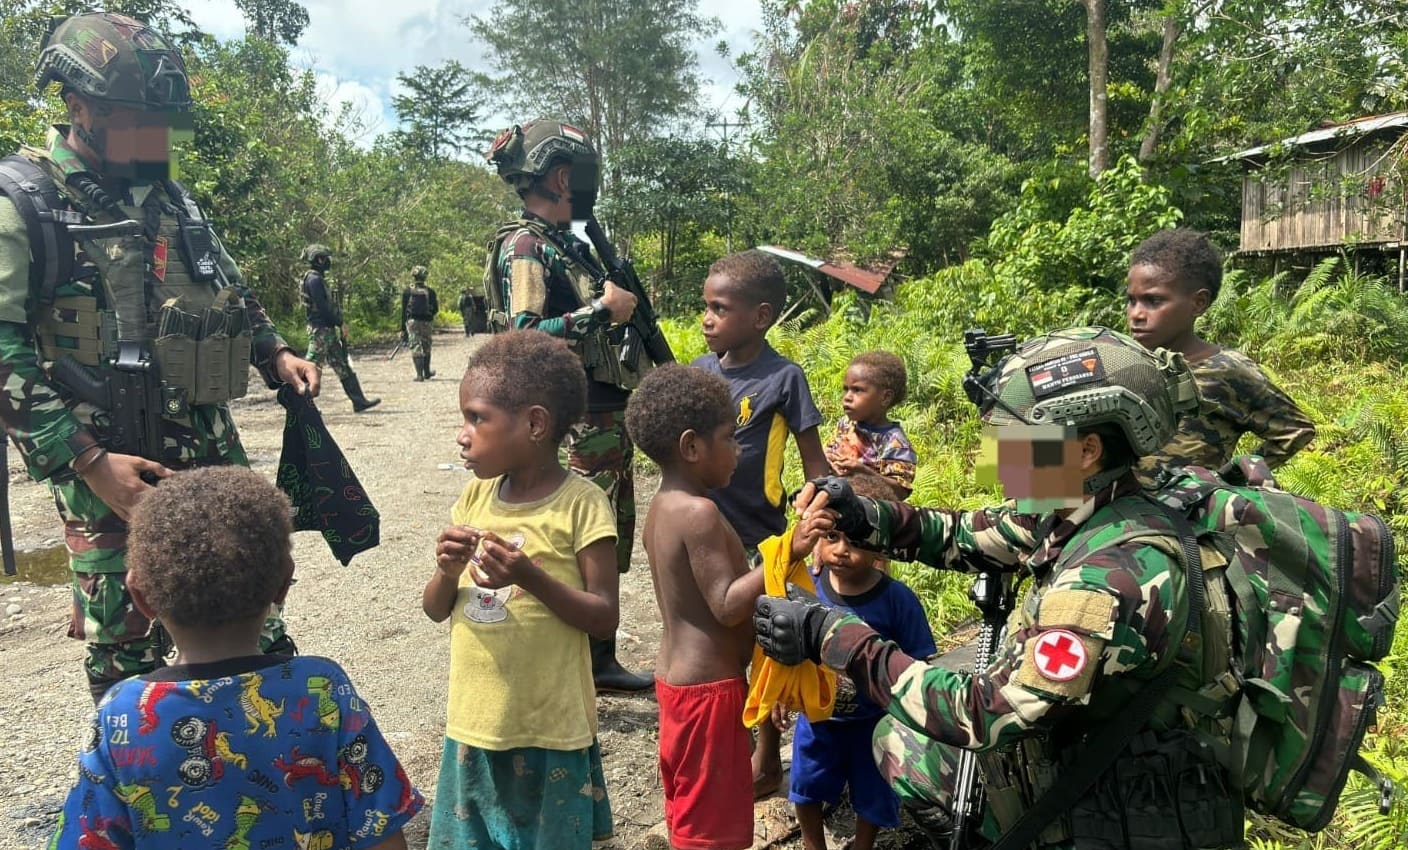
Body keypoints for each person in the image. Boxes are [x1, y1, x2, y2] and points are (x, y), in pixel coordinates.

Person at [752, 327, 1257, 850]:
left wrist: (835, 635)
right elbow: (968, 535)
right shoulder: (1092, 502)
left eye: (1016, 444)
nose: (995, 461)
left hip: (1133, 796)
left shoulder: (1106, 578)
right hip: (1104, 740)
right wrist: (863, 514)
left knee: (903, 740)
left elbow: (987, 713)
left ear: (1085, 450)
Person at [0, 12, 320, 704]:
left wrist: (277, 352)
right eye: (135, 120)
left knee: (254, 626)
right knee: (128, 662)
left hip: (210, 451)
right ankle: (148, 798)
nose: (154, 139)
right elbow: (4, 350)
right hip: (110, 463)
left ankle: (265, 781)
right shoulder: (24, 201)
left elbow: (230, 289)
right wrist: (87, 462)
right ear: (77, 105)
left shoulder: (174, 198)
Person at [47, 465, 423, 850]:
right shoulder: (322, 689)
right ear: (283, 585)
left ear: (140, 597)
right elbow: (383, 831)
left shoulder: (122, 713)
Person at [423, 329, 617, 849]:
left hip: (550, 725)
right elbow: (436, 609)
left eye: (477, 418)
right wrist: (446, 570)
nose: (463, 435)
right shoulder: (473, 497)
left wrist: (529, 576)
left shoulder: (583, 503)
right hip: (476, 723)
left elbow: (603, 617)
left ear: (534, 423)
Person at [627, 363, 825, 850]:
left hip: (679, 683)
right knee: (714, 829)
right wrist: (788, 550)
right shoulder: (699, 513)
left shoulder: (664, 506)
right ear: (692, 447)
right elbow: (726, 605)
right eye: (730, 439)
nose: (740, 450)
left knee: (691, 805)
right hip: (709, 692)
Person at [483, 119, 650, 692]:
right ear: (560, 176)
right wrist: (603, 311)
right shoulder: (526, 247)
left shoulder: (566, 245)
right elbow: (526, 331)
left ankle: (597, 658)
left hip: (603, 412)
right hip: (574, 421)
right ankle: (571, 659)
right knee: (576, 536)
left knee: (606, 532)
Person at [690, 248, 830, 795]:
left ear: (762, 316)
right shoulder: (699, 375)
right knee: (715, 642)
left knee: (763, 647)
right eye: (705, 307)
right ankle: (730, 745)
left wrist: (818, 519)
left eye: (720, 309)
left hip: (760, 537)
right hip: (706, 535)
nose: (706, 319)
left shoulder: (783, 378)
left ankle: (767, 755)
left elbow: (813, 462)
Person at [780, 473, 936, 850]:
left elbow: (918, 660)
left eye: (856, 540)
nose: (841, 550)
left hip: (874, 722)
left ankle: (863, 845)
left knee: (874, 791)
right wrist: (780, 695)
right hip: (818, 720)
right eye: (832, 537)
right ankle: (813, 844)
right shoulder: (806, 591)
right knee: (805, 784)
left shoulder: (898, 600)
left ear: (880, 545)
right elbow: (786, 653)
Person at [1125, 228, 1314, 484]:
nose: (1136, 314)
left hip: (1188, 517)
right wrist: (1055, 509)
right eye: (1131, 300)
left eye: (1153, 301)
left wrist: (1231, 479)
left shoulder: (1227, 370)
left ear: (1198, 303)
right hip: (1120, 516)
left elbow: (1295, 430)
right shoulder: (1120, 362)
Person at [824, 350, 918, 499]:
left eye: (857, 390)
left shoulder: (896, 443)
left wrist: (863, 471)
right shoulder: (846, 425)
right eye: (846, 389)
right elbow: (828, 452)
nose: (847, 397)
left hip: (869, 515)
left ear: (885, 397)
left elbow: (900, 491)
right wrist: (828, 459)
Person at [300, 243, 380, 411]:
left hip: (327, 330)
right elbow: (322, 307)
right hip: (320, 330)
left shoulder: (317, 278)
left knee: (342, 365)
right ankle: (300, 406)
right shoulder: (313, 280)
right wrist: (340, 323)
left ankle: (359, 401)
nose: (329, 261)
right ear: (320, 259)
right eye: (326, 258)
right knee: (311, 367)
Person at [401, 265, 438, 381]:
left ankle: (419, 375)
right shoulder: (430, 292)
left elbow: (403, 311)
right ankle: (427, 372)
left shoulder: (407, 291)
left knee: (415, 346)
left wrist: (402, 329)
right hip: (427, 322)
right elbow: (435, 309)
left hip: (412, 322)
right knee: (426, 345)